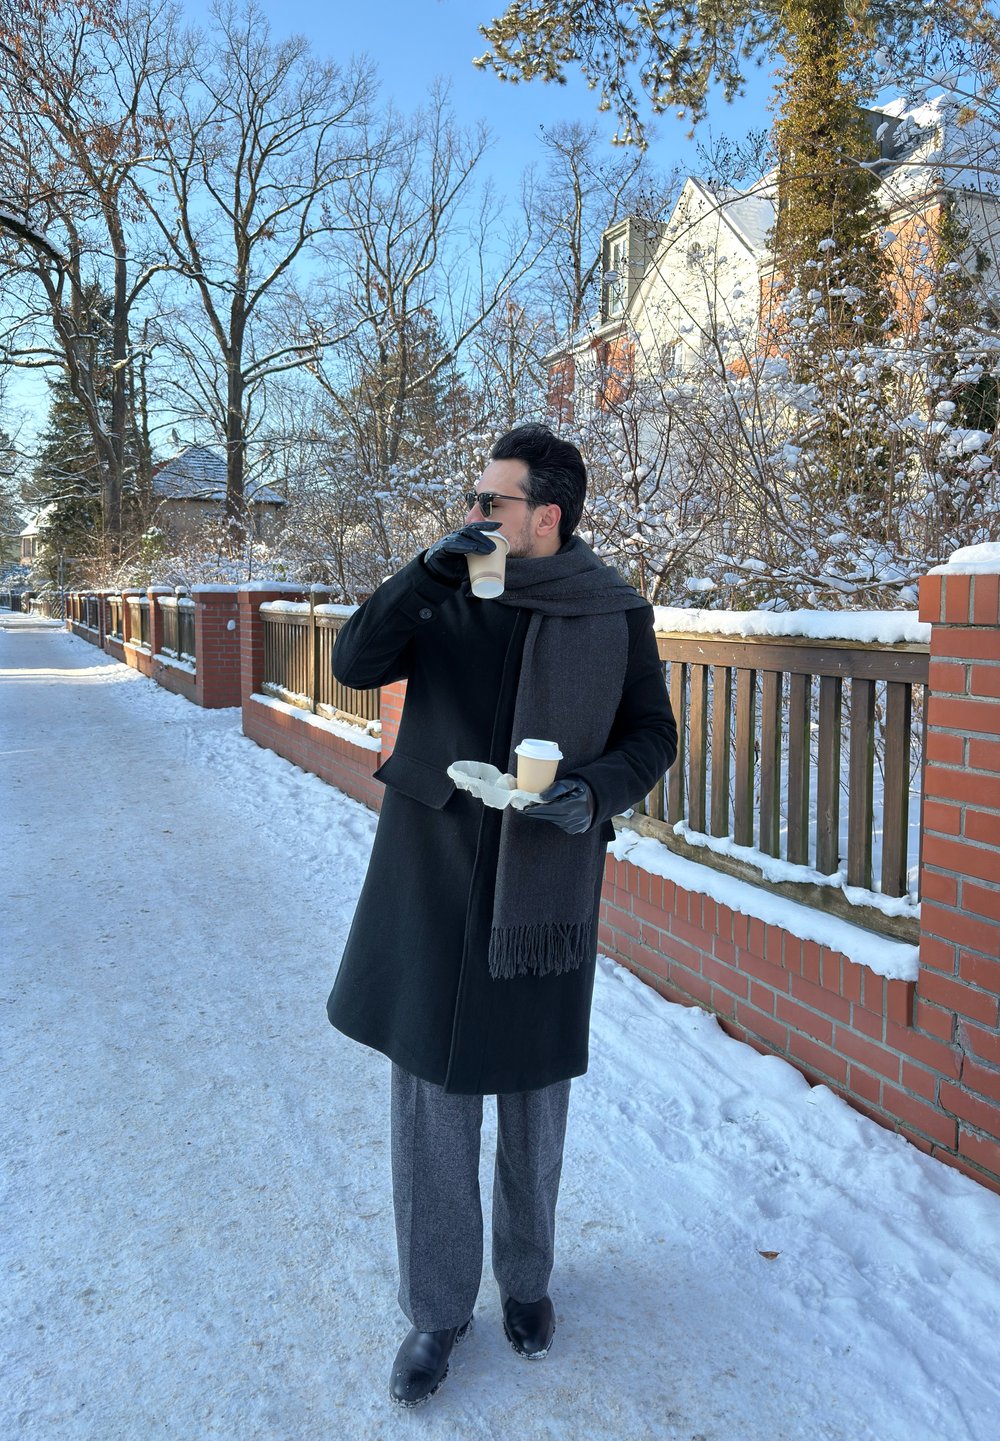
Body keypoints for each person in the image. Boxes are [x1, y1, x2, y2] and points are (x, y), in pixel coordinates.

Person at [326, 423, 677, 1407]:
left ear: (548, 516)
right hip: (434, 873)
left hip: (544, 893)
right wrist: (421, 572)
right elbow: (357, 660)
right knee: (433, 1104)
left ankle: (526, 1283)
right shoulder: (445, 592)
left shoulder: (612, 612)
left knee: (532, 1097)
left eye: (493, 502)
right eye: (472, 499)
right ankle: (437, 1310)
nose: (473, 514)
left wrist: (596, 790)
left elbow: (654, 731)